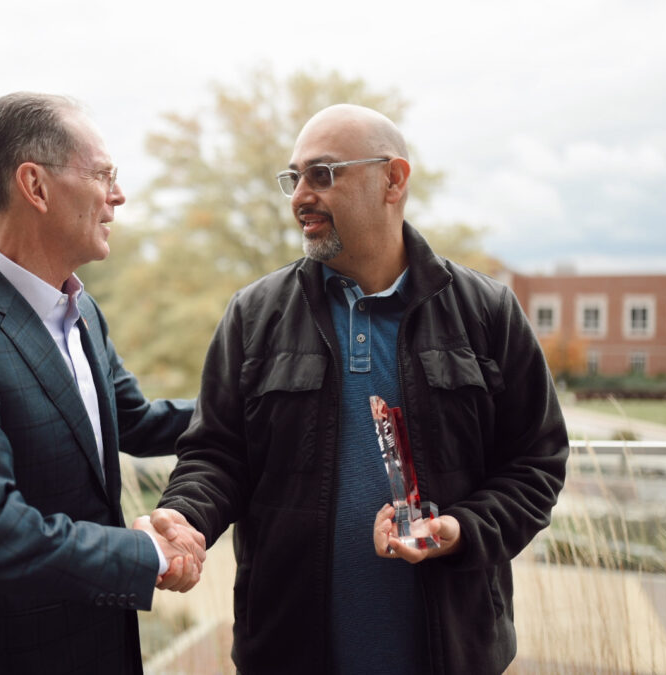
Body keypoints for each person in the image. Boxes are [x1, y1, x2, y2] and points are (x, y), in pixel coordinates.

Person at [150, 104, 569, 674]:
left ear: (393, 180)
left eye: (323, 174)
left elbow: (535, 462)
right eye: (293, 177)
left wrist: (460, 530)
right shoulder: (253, 315)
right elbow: (217, 455)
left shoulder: (486, 312)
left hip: (453, 653)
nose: (301, 195)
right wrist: (185, 518)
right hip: (287, 653)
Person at [0, 92, 204, 675]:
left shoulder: (82, 311)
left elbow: (136, 419)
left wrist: (258, 405)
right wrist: (145, 554)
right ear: (35, 187)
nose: (118, 195)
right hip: (9, 657)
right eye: (103, 175)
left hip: (102, 646)